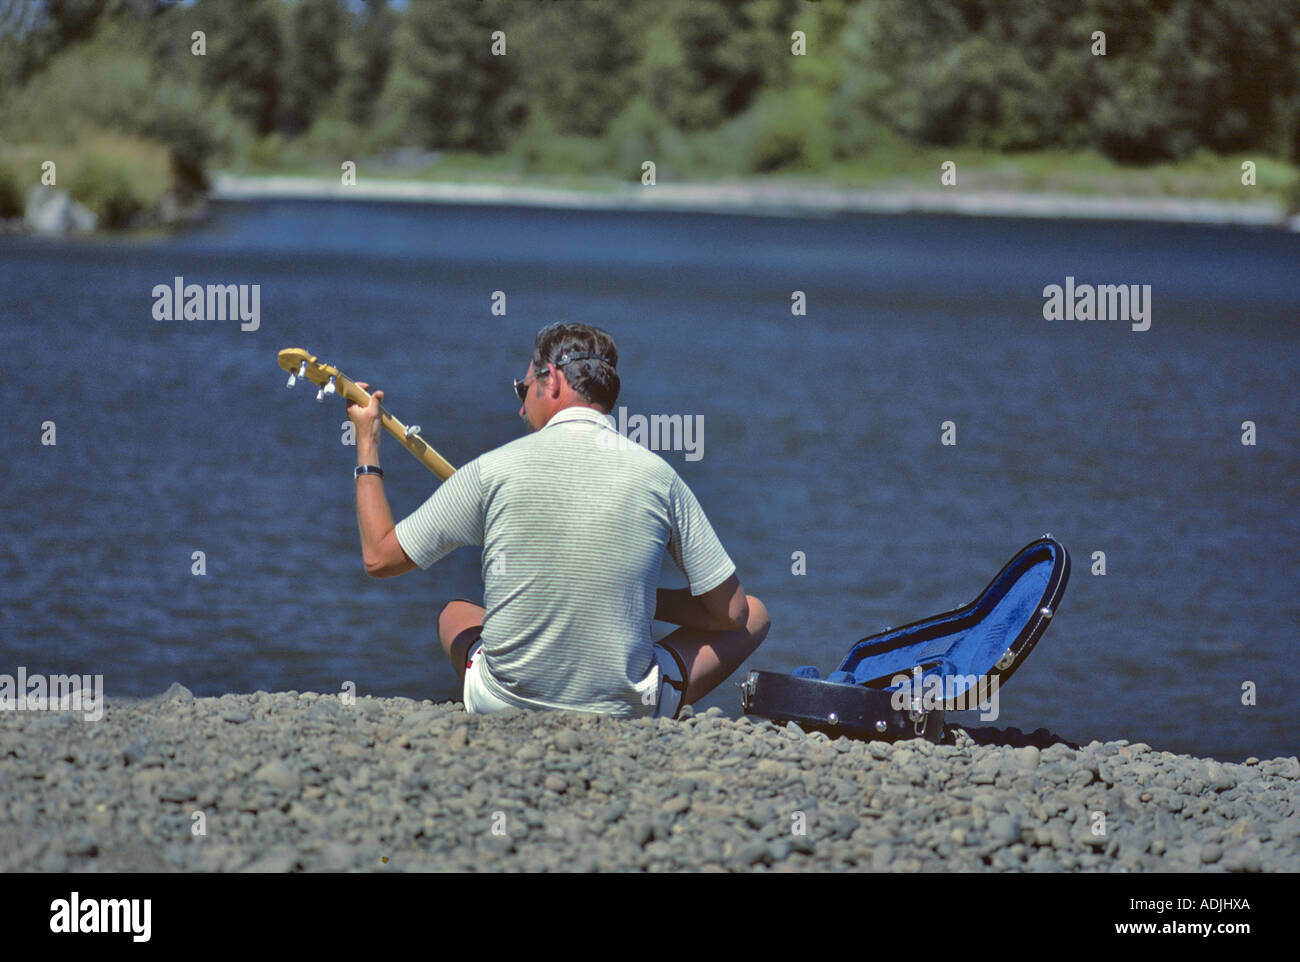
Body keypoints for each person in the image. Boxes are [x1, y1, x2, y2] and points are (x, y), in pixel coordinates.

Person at [344, 322, 769, 719]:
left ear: (552, 378)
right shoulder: (659, 476)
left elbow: (380, 558)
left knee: (456, 611)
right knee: (755, 613)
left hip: (502, 702)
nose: (520, 408)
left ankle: (508, 686)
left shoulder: (493, 468)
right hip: (626, 711)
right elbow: (731, 612)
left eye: (521, 388)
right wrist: (641, 597)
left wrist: (367, 441)